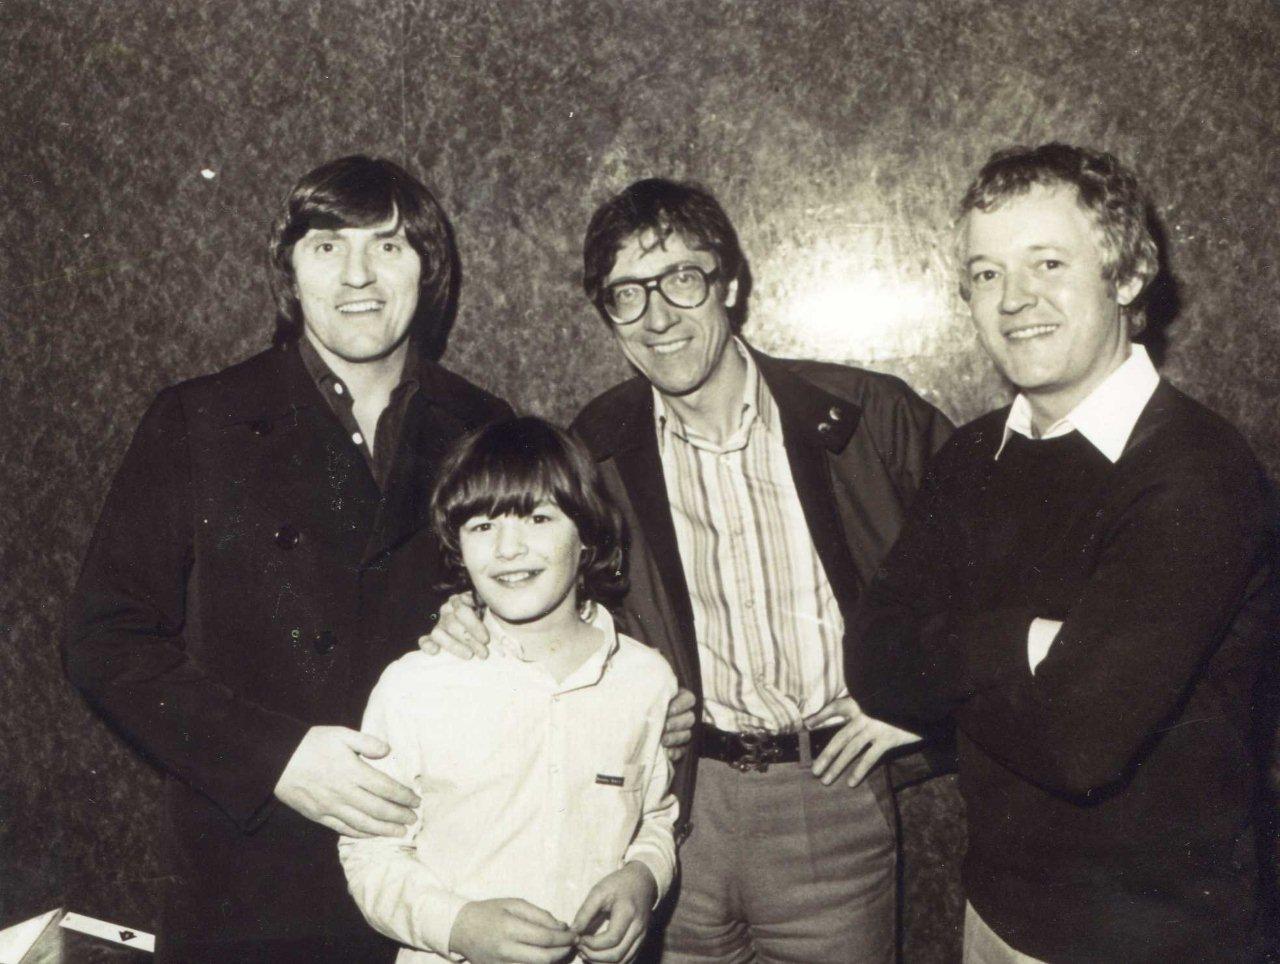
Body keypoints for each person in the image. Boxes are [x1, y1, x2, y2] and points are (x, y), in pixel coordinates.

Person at [430, 178, 953, 962]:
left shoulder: (863, 416)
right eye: (627, 294)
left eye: (681, 278)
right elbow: (533, 569)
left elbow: (1006, 564)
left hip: (830, 800)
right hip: (670, 809)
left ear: (729, 283)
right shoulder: (597, 446)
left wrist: (926, 699)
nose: (658, 317)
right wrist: (469, 614)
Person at [63, 155, 513, 963]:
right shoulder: (199, 419)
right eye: (328, 246)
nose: (358, 276)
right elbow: (105, 639)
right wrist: (276, 758)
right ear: (290, 272)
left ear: (429, 270)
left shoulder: (484, 425)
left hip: (440, 871)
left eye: (388, 246)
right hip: (252, 880)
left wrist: (487, 620)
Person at [847, 143, 1278, 962]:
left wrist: (948, 662)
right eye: (986, 273)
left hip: (1154, 942)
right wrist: (1024, 641)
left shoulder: (1198, 473)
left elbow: (1079, 745)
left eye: (1047, 263)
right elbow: (871, 661)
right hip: (993, 917)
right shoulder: (972, 455)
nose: (1015, 299)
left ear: (1127, 276)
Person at [340, 416, 679, 964]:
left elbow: (656, 816)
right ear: (457, 544)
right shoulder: (415, 685)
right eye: (481, 526)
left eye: (538, 518)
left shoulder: (645, 679)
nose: (507, 549)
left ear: (587, 535)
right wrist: (458, 926)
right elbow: (370, 854)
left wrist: (644, 876)